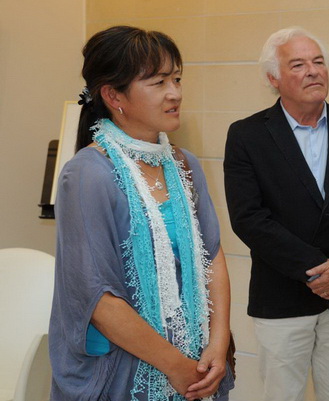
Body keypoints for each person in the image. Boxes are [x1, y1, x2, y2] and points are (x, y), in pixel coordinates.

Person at [49, 26, 234, 400]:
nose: (175, 93)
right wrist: (176, 366)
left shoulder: (184, 164)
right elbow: (98, 300)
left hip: (196, 363)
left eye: (177, 79)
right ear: (113, 95)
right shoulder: (87, 174)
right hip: (121, 373)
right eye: (158, 82)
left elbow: (211, 256)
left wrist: (218, 343)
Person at [223, 26, 329, 401]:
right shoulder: (247, 136)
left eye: (319, 62)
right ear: (273, 78)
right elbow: (248, 217)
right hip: (283, 294)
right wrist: (319, 272)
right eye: (299, 64)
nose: (313, 71)